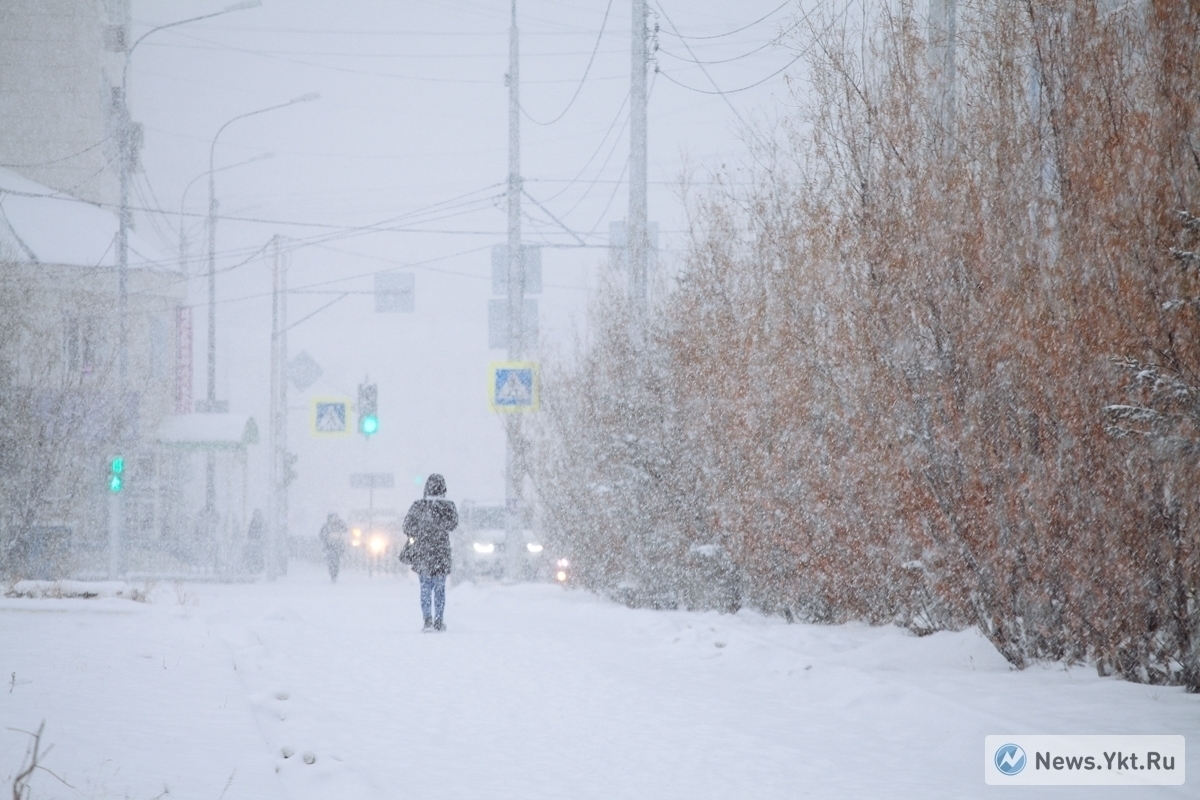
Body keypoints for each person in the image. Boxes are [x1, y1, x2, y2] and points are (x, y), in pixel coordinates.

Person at [402, 474, 458, 631]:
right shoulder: (448, 506)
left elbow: (406, 526)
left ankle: (427, 620)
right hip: (441, 552)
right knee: (440, 588)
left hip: (424, 552)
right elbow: (453, 524)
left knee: (425, 587)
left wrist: (421, 530)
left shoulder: (418, 506)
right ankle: (439, 620)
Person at [319, 512, 347, 583]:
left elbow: (345, 529)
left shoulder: (339, 524)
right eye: (332, 518)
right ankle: (332, 574)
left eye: (335, 518)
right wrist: (326, 539)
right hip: (330, 547)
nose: (334, 520)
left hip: (338, 546)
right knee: (331, 561)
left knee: (336, 561)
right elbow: (321, 534)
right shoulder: (326, 526)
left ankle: (335, 574)